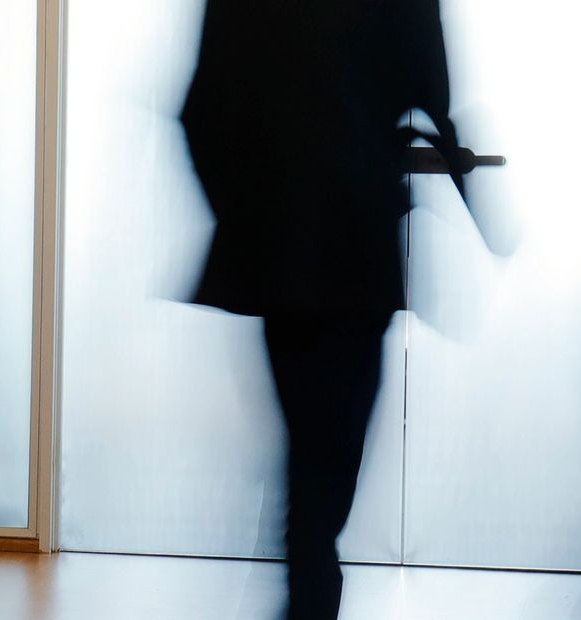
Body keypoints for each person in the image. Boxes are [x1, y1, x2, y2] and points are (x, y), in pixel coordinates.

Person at [180, 2, 467, 617]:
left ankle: (306, 580)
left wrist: (244, 210)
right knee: (328, 459)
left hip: (278, 252)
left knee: (310, 452)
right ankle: (310, 581)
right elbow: (433, 93)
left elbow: (198, 113)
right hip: (357, 251)